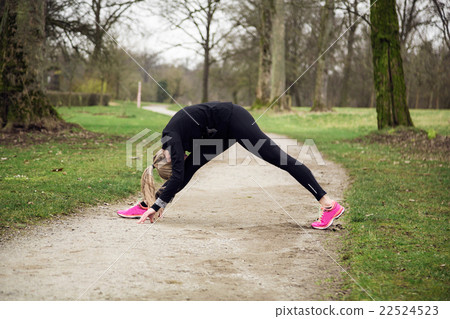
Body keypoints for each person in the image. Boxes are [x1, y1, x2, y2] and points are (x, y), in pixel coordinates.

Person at [117, 101, 345, 230]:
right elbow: (182, 172)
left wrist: (159, 204)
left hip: (234, 119)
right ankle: (147, 204)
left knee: (279, 158)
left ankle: (328, 204)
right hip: (219, 133)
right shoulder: (172, 142)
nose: (177, 159)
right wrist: (158, 202)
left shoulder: (172, 139)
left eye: (174, 160)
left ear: (166, 154)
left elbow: (177, 175)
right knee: (191, 166)